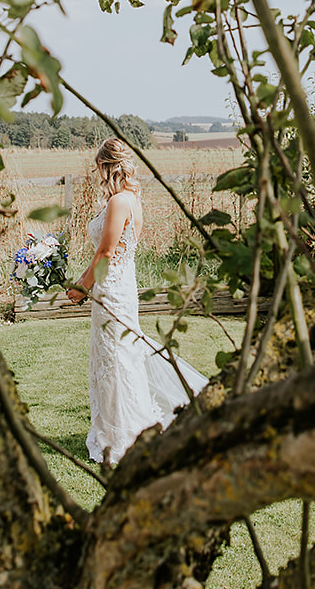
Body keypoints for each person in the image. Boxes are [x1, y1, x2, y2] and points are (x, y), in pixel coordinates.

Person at [66, 137, 209, 464]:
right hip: (117, 285)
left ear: (105, 166)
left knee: (117, 359)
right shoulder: (130, 200)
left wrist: (80, 287)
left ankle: (126, 432)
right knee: (115, 358)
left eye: (98, 167)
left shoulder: (119, 202)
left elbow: (105, 252)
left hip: (112, 289)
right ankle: (115, 428)